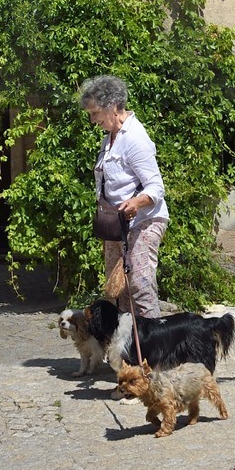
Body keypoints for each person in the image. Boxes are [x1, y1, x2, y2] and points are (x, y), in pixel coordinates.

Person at [82, 74, 168, 319]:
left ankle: (154, 349)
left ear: (112, 106)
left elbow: (156, 188)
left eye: (95, 113)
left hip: (144, 221)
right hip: (116, 224)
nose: (92, 119)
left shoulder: (135, 139)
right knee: (116, 287)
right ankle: (128, 348)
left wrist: (136, 202)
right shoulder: (108, 140)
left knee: (139, 284)